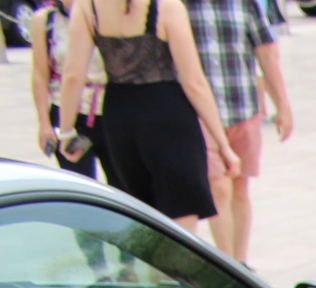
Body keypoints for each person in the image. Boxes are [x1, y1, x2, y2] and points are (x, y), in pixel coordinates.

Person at [56, 0, 237, 228]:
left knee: (141, 211)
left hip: (119, 114)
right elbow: (194, 82)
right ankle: (177, 263)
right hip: (168, 113)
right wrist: (223, 144)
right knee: (181, 209)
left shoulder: (87, 6)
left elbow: (73, 76)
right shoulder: (167, 6)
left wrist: (66, 131)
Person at [187, 0, 289, 261]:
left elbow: (265, 53)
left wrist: (282, 105)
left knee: (240, 186)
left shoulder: (243, 3)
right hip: (199, 112)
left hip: (241, 105)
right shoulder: (177, 5)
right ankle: (226, 263)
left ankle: (240, 262)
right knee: (218, 185)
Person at [29, 0, 104, 179]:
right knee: (80, 183)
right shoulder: (45, 20)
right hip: (65, 112)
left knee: (123, 185)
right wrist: (44, 124)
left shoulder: (104, 13)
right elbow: (40, 75)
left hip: (106, 109)